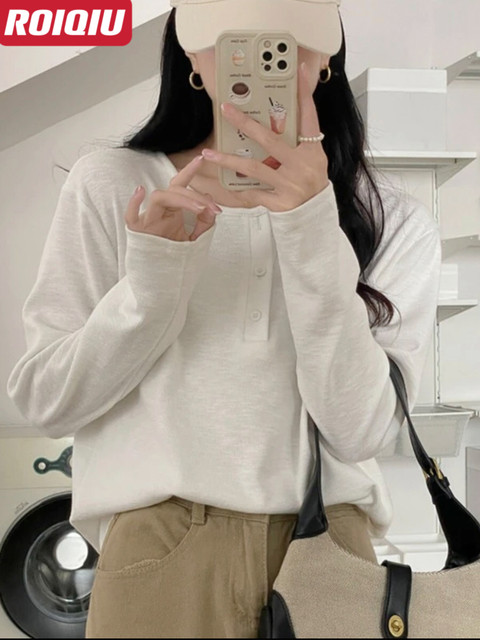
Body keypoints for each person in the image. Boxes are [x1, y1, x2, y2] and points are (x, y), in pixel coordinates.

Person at [6, 0, 441, 637]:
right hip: (159, 552)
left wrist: (311, 227)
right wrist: (153, 286)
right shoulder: (119, 186)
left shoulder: (391, 220)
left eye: (288, 40)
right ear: (192, 57)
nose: (264, 50)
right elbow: (48, 401)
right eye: (235, 36)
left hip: (327, 549)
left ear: (326, 59)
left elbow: (361, 432)